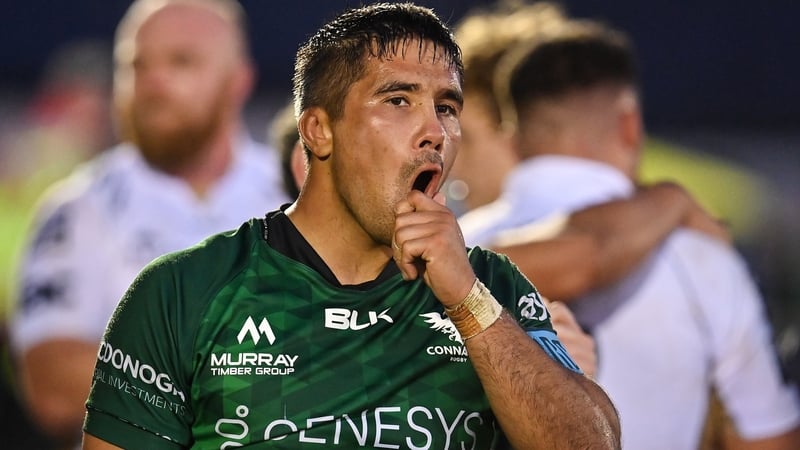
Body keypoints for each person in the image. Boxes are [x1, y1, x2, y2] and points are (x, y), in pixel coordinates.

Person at [82, 3, 621, 449]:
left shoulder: (494, 289)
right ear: (318, 131)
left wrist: (467, 302)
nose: (434, 130)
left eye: (447, 107)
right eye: (399, 100)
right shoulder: (183, 291)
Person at [458, 16, 800, 449]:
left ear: (510, 128)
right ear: (628, 125)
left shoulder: (451, 250)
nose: (451, 161)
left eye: (465, 135)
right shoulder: (698, 257)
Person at [8, 0, 290, 447]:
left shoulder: (299, 194)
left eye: (182, 61)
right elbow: (54, 387)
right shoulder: (75, 210)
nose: (153, 81)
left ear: (239, 81)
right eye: (136, 64)